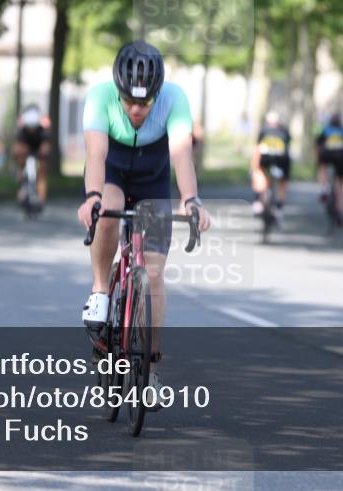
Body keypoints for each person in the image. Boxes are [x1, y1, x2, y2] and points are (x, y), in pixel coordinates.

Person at [77, 41, 212, 398]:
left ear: (157, 94)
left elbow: (181, 154)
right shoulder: (100, 97)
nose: (137, 110)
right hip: (111, 173)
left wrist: (191, 200)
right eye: (129, 101)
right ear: (118, 90)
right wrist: (92, 197)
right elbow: (96, 153)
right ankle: (101, 290)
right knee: (108, 209)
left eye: (146, 102)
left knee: (153, 275)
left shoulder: (174, 98)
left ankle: (149, 371)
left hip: (153, 178)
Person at [250, 111, 291, 223]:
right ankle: (279, 208)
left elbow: (257, 148)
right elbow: (288, 147)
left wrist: (253, 166)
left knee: (258, 172)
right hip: (281, 161)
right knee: (282, 182)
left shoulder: (263, 130)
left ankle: (258, 201)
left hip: (266, 160)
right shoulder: (284, 132)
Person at [316, 112, 343, 227]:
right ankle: (340, 213)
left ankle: (324, 188)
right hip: (342, 158)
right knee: (341, 185)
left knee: (322, 166)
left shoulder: (326, 130)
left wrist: (318, 159)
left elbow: (318, 145)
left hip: (327, 155)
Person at [12, 104, 51, 206]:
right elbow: (17, 148)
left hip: (38, 148)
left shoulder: (43, 130)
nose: (31, 130)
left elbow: (46, 147)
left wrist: (43, 153)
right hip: (26, 148)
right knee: (20, 158)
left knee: (42, 170)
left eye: (33, 127)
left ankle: (41, 199)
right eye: (29, 128)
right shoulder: (21, 131)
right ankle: (21, 181)